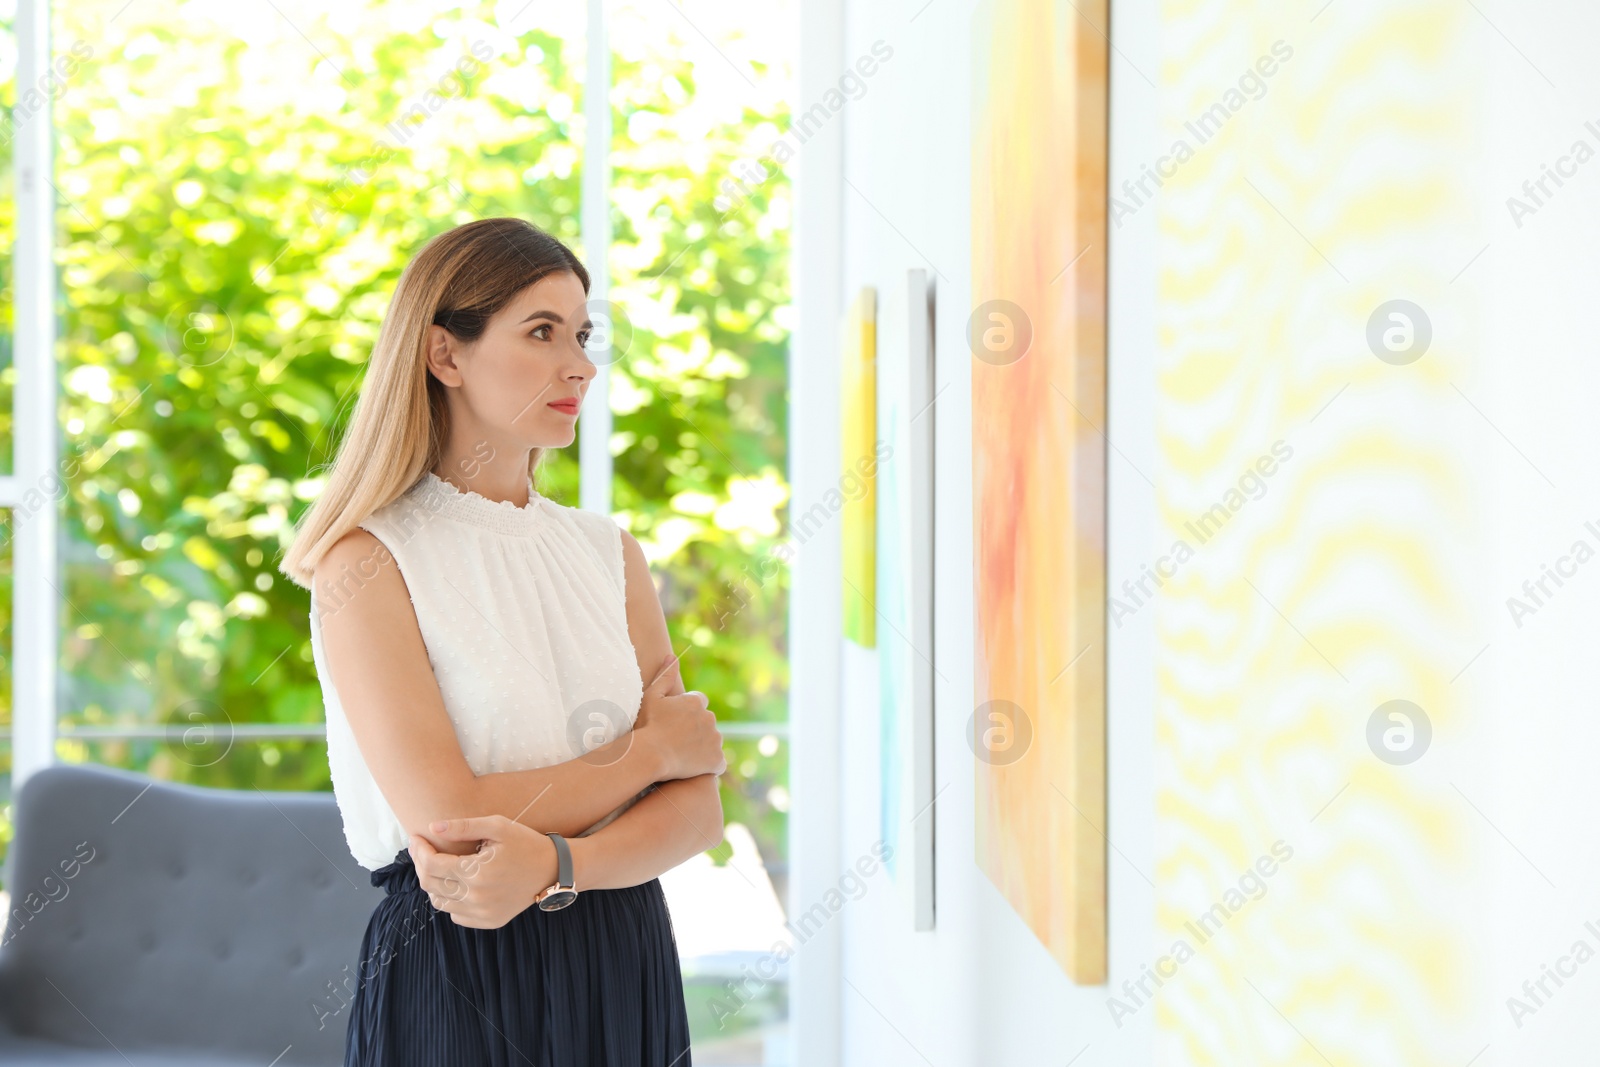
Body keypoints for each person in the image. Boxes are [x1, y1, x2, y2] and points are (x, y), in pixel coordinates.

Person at [280, 216, 726, 1065]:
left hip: (625, 949)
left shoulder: (608, 552)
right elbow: (447, 813)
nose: (580, 365)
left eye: (583, 335)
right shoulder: (366, 560)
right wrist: (648, 754)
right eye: (542, 331)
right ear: (445, 355)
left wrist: (559, 864)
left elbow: (697, 808)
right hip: (457, 958)